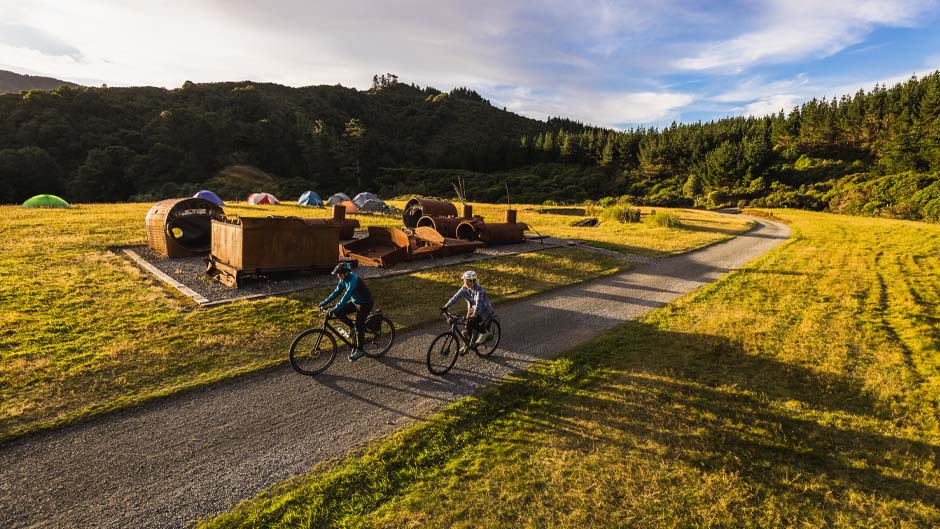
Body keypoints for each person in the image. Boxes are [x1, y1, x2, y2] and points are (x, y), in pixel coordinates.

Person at [319, 262, 374, 361]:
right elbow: (336, 292)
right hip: (355, 302)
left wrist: (335, 307)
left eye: (339, 274)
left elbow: (346, 296)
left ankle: (360, 350)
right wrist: (324, 303)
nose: (338, 276)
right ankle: (352, 327)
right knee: (338, 313)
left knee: (359, 325)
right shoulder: (343, 279)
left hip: (365, 304)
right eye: (337, 274)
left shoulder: (353, 280)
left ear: (346, 273)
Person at [440, 270, 494, 353]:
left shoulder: (479, 290)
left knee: (472, 322)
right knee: (467, 326)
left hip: (484, 311)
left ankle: (485, 333)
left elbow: (479, 304)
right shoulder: (464, 288)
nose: (464, 281)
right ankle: (467, 344)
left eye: (465, 280)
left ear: (471, 281)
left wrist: (475, 314)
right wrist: (446, 306)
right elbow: (455, 297)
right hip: (472, 309)